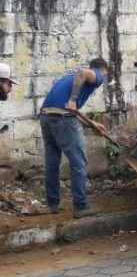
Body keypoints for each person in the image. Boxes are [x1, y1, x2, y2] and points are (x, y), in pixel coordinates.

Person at [40, 58, 109, 218]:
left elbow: (68, 110)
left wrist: (92, 123)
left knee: (52, 162)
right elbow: (82, 73)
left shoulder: (68, 77)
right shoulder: (97, 74)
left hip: (46, 116)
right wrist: (72, 100)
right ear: (104, 70)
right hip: (62, 118)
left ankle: (52, 204)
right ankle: (81, 207)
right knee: (78, 162)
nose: (103, 79)